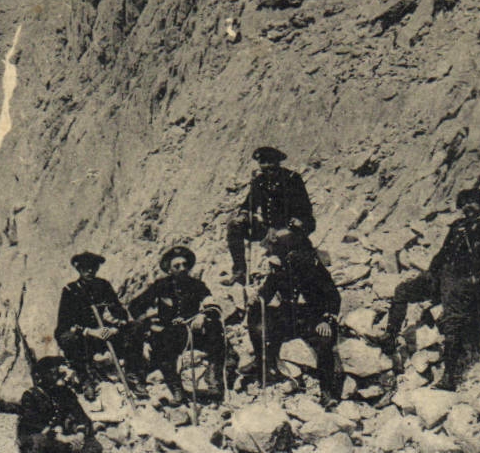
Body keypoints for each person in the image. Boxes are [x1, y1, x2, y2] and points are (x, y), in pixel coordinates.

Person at [383, 188, 480, 391]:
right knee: (403, 291)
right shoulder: (458, 227)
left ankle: (450, 377)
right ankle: (389, 337)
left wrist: (470, 285)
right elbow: (442, 254)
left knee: (452, 321)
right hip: (441, 278)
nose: (467, 207)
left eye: (471, 202)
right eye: (463, 204)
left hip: (463, 285)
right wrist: (430, 274)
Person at [245, 228, 342, 402]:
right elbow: (267, 292)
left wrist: (326, 320)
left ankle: (327, 391)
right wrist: (256, 299)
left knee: (325, 341)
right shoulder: (280, 270)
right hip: (288, 317)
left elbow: (333, 296)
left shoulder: (314, 268)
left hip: (313, 318)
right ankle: (263, 364)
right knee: (256, 314)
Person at [128, 245, 229, 404]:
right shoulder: (160, 286)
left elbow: (212, 306)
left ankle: (214, 379)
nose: (182, 268)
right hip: (168, 333)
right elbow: (134, 306)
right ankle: (176, 388)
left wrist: (203, 315)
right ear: (169, 269)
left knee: (215, 328)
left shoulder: (197, 285)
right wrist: (149, 321)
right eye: (177, 266)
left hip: (192, 331)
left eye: (184, 265)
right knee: (160, 343)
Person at [16, 356, 102, 453]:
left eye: (56, 371)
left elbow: (82, 417)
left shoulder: (65, 393)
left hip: (63, 442)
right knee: (38, 441)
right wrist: (60, 437)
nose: (56, 375)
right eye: (51, 372)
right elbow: (33, 425)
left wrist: (80, 434)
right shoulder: (30, 396)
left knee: (94, 446)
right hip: (44, 444)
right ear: (41, 376)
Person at [53, 252, 145, 397]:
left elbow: (119, 311)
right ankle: (85, 379)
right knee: (67, 338)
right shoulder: (70, 290)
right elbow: (65, 322)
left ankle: (132, 374)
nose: (90, 271)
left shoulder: (103, 285)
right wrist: (90, 331)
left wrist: (113, 329)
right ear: (79, 269)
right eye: (85, 268)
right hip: (84, 336)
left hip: (105, 333)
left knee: (136, 327)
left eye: (93, 267)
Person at [226, 146, 316, 284]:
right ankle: (239, 272)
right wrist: (244, 214)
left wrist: (288, 227)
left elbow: (305, 211)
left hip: (291, 228)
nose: (267, 166)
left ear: (278, 162)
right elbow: (249, 204)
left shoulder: (292, 179)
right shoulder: (259, 181)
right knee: (235, 225)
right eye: (263, 162)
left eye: (270, 162)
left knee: (284, 256)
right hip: (269, 229)